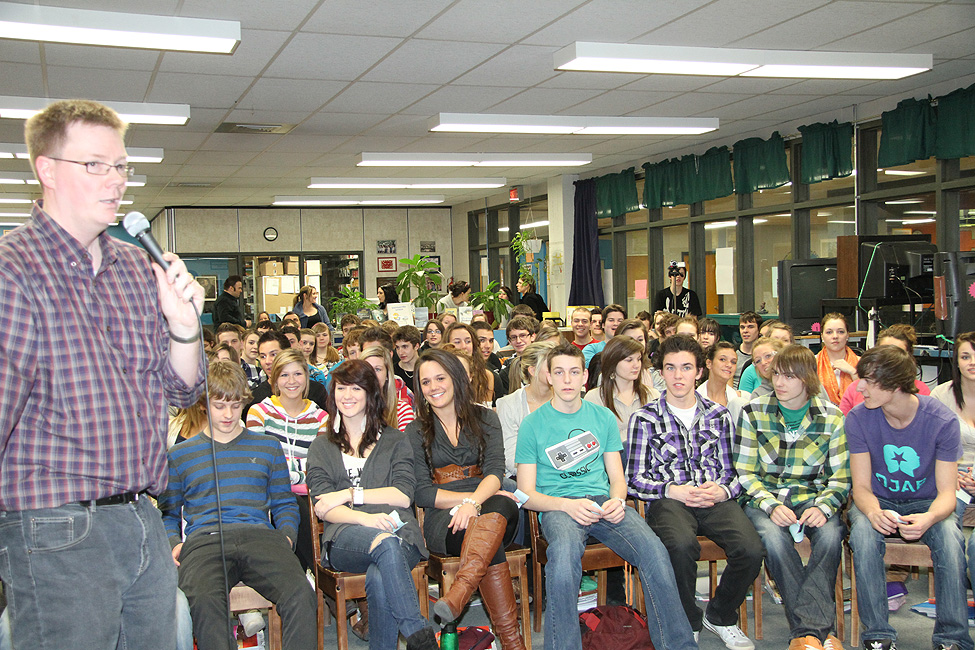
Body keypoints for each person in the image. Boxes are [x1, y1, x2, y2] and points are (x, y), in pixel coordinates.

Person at [0, 99, 206, 649]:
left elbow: (182, 388)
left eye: (121, 167)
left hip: (140, 514)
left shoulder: (134, 267)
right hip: (57, 523)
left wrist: (184, 326)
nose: (116, 181)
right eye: (96, 165)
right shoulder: (14, 270)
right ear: (47, 169)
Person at [516, 341, 697, 650]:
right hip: (559, 508)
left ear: (586, 377)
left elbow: (617, 478)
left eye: (574, 372)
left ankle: (678, 646)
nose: (568, 380)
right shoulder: (532, 424)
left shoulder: (602, 417)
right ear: (548, 376)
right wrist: (567, 505)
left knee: (654, 551)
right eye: (559, 373)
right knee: (562, 560)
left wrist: (616, 500)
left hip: (603, 503)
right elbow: (525, 493)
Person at [159, 361, 317, 650]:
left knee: (301, 595)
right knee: (206, 603)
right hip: (206, 541)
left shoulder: (267, 448)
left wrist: (286, 536)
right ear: (204, 404)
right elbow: (169, 513)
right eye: (219, 405)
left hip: (262, 538)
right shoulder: (181, 456)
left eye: (235, 405)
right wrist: (173, 543)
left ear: (244, 402)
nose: (228, 414)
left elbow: (285, 503)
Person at [627, 334, 762, 649]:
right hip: (670, 500)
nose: (678, 376)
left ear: (699, 372)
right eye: (671, 368)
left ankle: (720, 615)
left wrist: (722, 491)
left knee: (752, 549)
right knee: (681, 546)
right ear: (661, 372)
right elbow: (634, 479)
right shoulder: (644, 418)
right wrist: (673, 490)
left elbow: (735, 471)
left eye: (686, 368)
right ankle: (688, 619)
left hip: (713, 498)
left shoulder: (719, 415)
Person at [305, 360, 439, 650]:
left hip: (400, 531)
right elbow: (323, 507)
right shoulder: (321, 446)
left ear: (370, 394)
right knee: (383, 543)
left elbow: (403, 495)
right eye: (341, 388)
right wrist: (366, 519)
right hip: (345, 536)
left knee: (380, 574)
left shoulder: (395, 440)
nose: (348, 395)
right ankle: (419, 635)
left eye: (356, 388)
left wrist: (350, 494)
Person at [846, 346, 972, 650]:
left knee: (951, 540)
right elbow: (861, 488)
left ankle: (952, 638)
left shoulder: (941, 420)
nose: (859, 386)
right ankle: (877, 634)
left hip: (928, 503)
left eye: (868, 381)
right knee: (863, 534)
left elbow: (947, 494)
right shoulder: (858, 418)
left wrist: (929, 518)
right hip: (878, 501)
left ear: (896, 384)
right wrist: (874, 513)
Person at [407, 350, 527, 650]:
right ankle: (513, 643)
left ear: (456, 379)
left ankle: (459, 593)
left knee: (501, 504)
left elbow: (495, 472)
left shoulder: (486, 418)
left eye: (440, 378)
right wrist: (467, 504)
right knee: (490, 537)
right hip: (444, 519)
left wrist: (473, 503)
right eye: (425, 382)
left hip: (486, 502)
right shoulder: (415, 430)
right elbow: (422, 492)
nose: (433, 386)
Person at [735, 344, 850, 650]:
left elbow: (840, 477)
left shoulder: (832, 417)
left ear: (807, 379)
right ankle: (818, 632)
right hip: (765, 498)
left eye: (789, 376)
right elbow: (745, 474)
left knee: (830, 534)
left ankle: (805, 633)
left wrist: (825, 506)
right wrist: (771, 505)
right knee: (772, 538)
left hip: (813, 495)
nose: (780, 383)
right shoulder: (753, 413)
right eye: (776, 375)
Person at [585, 336, 659, 464]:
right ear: (613, 363)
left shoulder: (653, 396)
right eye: (629, 360)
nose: (636, 365)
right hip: (610, 464)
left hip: (648, 462)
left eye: (639, 359)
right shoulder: (594, 398)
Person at [839, 324, 929, 415]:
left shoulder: (920, 390)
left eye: (896, 353)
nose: (887, 358)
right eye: (883, 351)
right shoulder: (855, 389)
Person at [497, 340, 558, 476]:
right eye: (552, 365)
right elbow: (511, 460)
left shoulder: (566, 400)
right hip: (525, 477)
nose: (558, 370)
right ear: (532, 370)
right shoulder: (509, 405)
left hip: (566, 476)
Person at [931, 331, 975, 486]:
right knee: (948, 505)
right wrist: (949, 475)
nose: (972, 362)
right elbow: (929, 445)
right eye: (965, 357)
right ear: (956, 361)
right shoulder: (940, 396)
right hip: (952, 473)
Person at [360, 345, 416, 432]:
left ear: (387, 374)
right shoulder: (351, 408)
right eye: (367, 369)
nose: (372, 375)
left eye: (377, 369)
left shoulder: (402, 411)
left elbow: (402, 445)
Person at [698, 341, 749, 424]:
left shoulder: (743, 399)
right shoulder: (695, 399)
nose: (729, 365)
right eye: (722, 359)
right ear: (709, 363)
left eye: (733, 362)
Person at [445, 322, 495, 404]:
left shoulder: (486, 376)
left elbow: (486, 412)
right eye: (457, 342)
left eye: (468, 341)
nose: (464, 346)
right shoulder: (440, 376)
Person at [817, 312, 859, 405]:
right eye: (829, 332)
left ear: (847, 335)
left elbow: (868, 396)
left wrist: (853, 373)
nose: (835, 336)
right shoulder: (811, 363)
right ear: (822, 336)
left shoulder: (862, 363)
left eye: (840, 332)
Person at [499, 315, 540, 395]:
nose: (518, 341)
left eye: (522, 336)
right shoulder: (506, 371)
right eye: (513, 337)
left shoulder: (542, 363)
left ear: (532, 336)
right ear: (509, 341)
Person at [734, 311, 762, 390]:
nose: (745, 331)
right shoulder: (732, 352)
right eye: (742, 327)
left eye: (750, 327)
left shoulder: (763, 356)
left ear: (759, 330)